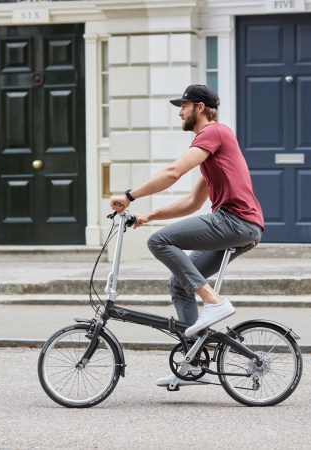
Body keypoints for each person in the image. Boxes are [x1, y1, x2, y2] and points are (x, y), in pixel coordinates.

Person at [109, 84, 264, 387]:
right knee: (178, 284)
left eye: (184, 105)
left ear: (200, 108)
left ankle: (213, 301)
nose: (180, 111)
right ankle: (194, 363)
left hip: (235, 221)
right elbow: (192, 203)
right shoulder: (211, 152)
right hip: (241, 225)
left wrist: (130, 195)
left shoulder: (213, 133)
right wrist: (149, 215)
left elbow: (172, 172)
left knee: (159, 241)